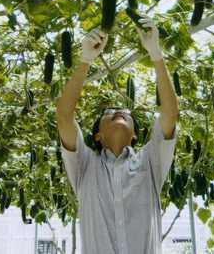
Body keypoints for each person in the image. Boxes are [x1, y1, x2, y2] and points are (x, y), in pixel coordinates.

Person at [56, 15, 179, 254]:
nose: (119, 111)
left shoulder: (150, 161)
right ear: (97, 136)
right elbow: (64, 116)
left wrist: (155, 52)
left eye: (125, 112)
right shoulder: (84, 165)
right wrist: (85, 59)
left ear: (134, 135)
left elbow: (170, 114)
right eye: (109, 112)